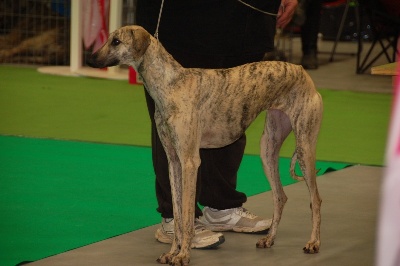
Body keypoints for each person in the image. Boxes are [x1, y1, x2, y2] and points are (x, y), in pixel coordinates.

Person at [136, 0, 297, 249]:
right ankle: (176, 219)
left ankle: (221, 206)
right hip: (183, 22)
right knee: (176, 120)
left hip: (246, 19)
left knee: (232, 111)